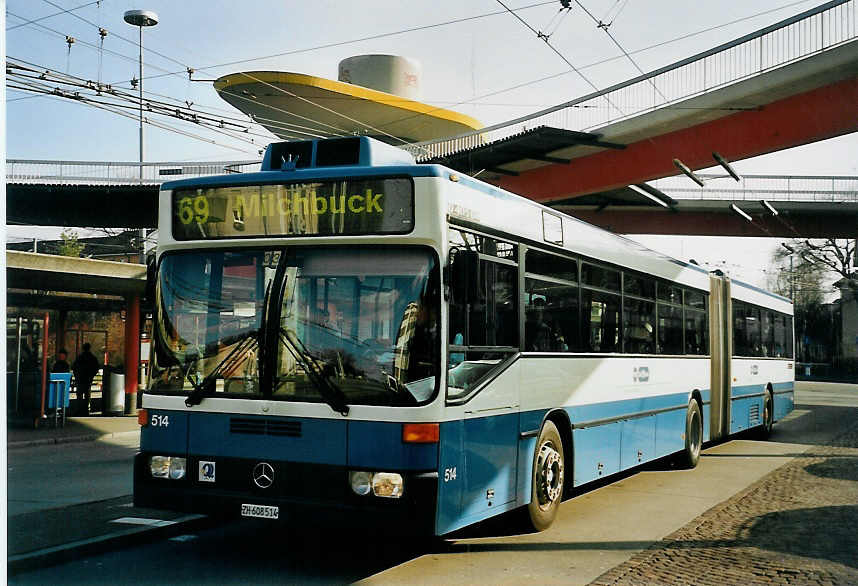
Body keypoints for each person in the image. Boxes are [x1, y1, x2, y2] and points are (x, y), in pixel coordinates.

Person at [72, 343, 101, 415]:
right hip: (88, 379)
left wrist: (77, 376)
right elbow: (96, 368)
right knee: (87, 394)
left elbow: (74, 367)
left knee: (79, 394)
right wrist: (91, 376)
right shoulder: (92, 358)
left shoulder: (80, 357)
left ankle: (79, 409)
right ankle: (86, 409)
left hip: (80, 379)